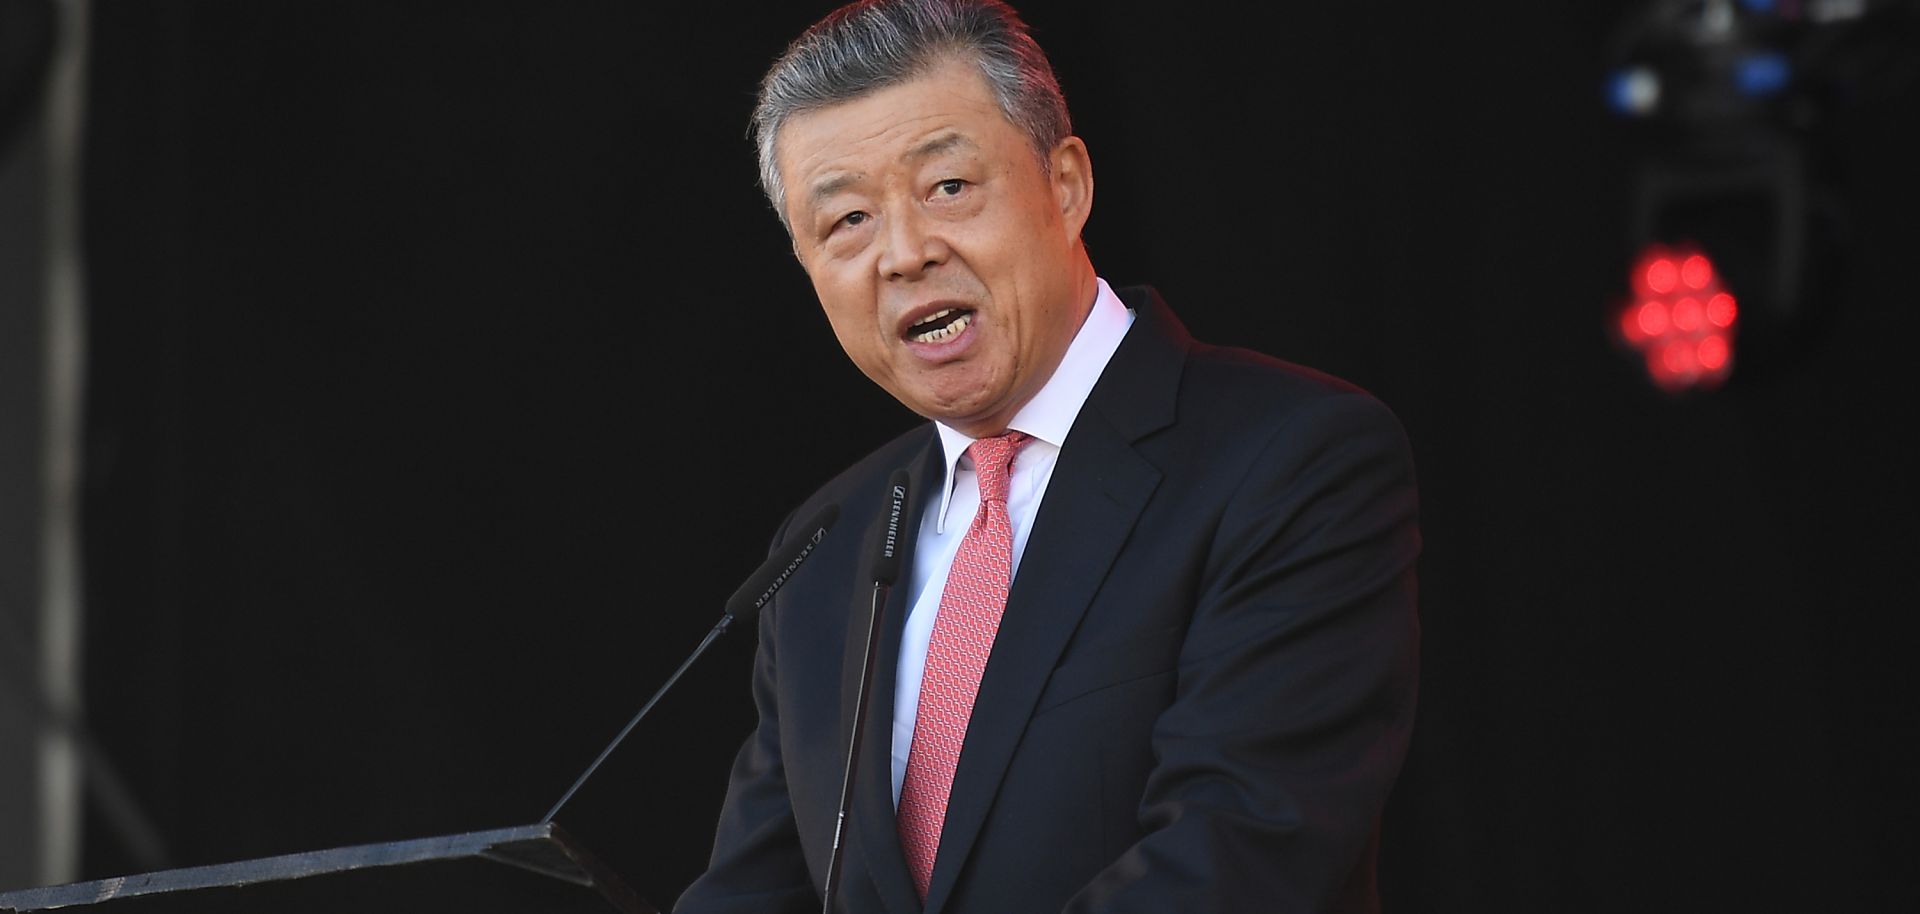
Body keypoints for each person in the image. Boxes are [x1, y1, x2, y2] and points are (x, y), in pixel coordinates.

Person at [675, 1, 1421, 911]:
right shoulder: (824, 546)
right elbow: (757, 891)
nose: (905, 254)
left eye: (948, 186)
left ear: (1065, 185)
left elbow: (1238, 854)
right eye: (848, 221)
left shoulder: (1289, 459)